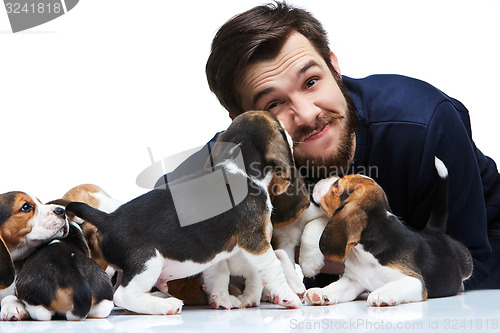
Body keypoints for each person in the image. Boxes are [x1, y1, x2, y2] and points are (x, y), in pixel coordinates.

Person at [203, 2, 500, 290]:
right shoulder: (245, 149)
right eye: (274, 103)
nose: (307, 115)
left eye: (311, 82)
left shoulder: (424, 123)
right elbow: (167, 211)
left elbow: (472, 263)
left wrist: (311, 251)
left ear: (334, 66)